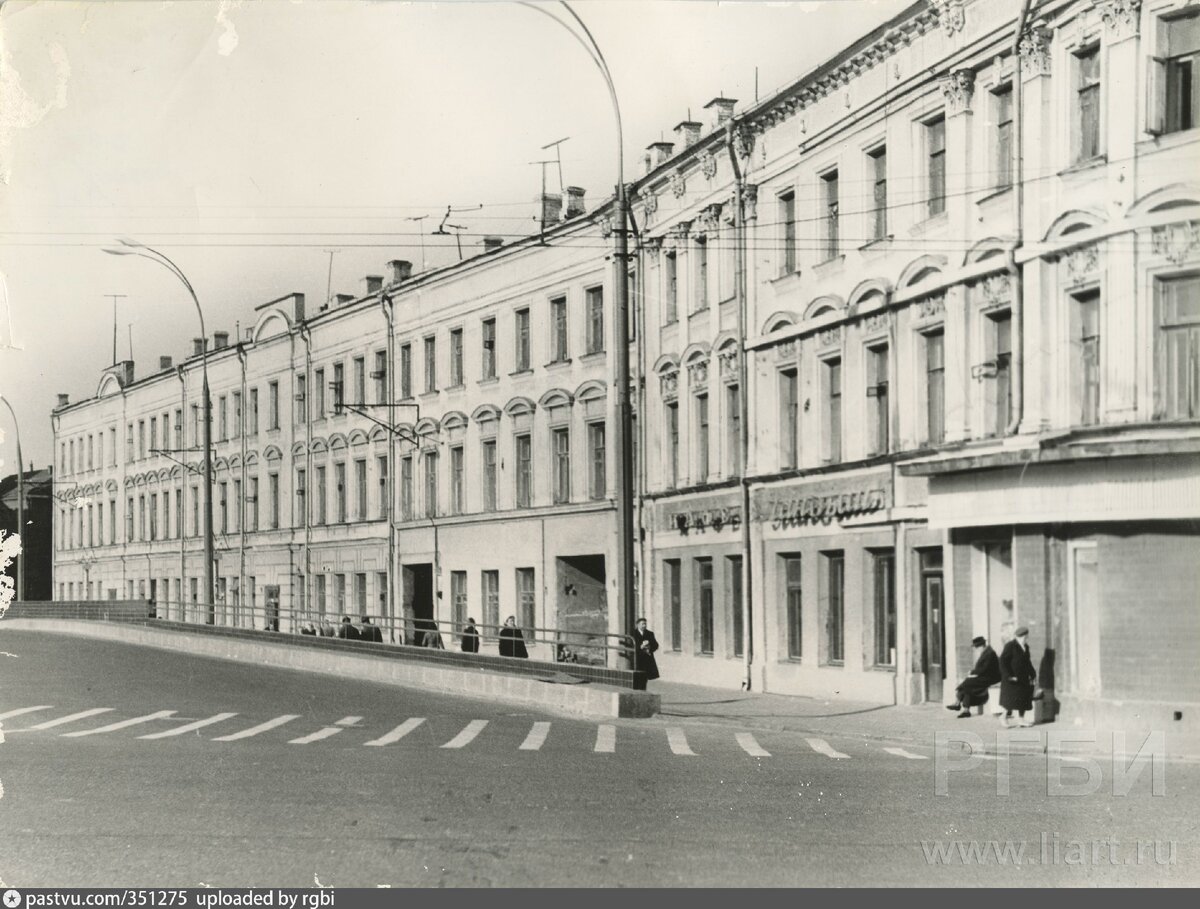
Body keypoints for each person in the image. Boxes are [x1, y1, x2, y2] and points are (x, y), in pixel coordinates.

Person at [946, 636, 1001, 718]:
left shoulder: (990, 654)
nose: (976, 649)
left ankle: (958, 703)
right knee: (968, 686)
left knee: (968, 683)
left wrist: (972, 672)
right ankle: (965, 710)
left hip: (990, 678)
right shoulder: (986, 652)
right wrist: (974, 673)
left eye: (977, 647)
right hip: (985, 676)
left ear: (982, 646)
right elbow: (982, 669)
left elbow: (985, 669)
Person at [999, 625, 1037, 727]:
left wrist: (1033, 674)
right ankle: (1003, 717)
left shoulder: (1026, 647)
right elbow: (1003, 661)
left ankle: (1021, 720)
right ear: (1019, 637)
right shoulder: (1010, 646)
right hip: (1011, 679)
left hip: (1023, 678)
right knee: (1009, 700)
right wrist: (1008, 676)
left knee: (1023, 699)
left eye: (1026, 637)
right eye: (1024, 637)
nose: (1025, 639)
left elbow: (1027, 662)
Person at [631, 617, 660, 681]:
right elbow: (630, 645)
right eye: (642, 624)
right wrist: (640, 647)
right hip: (638, 658)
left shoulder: (650, 633)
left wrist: (649, 648)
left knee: (648, 677)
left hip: (648, 658)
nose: (644, 626)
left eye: (645, 624)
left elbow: (656, 645)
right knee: (639, 676)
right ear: (638, 624)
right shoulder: (633, 634)